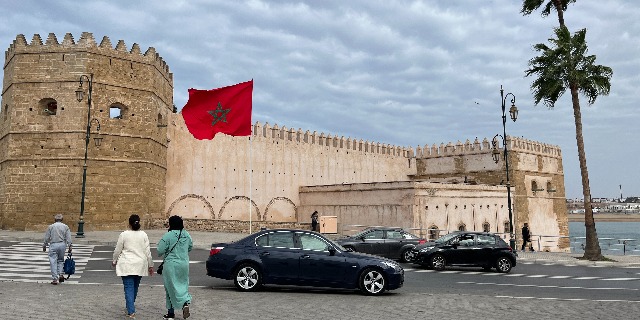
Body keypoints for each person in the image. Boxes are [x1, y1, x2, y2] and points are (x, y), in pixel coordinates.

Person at [112, 214, 154, 318]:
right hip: (140, 264)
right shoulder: (144, 235)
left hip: (126, 264)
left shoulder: (124, 234)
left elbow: (118, 249)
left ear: (129, 223)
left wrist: (114, 260)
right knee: (135, 287)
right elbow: (147, 252)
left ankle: (131, 310)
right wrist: (150, 265)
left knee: (128, 287)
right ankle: (130, 307)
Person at [158, 215, 193, 320]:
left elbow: (160, 250)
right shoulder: (186, 235)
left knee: (170, 288)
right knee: (183, 285)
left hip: (171, 265)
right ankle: (185, 302)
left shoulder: (168, 236)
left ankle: (170, 313)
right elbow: (190, 247)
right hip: (184, 264)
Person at [42, 213, 72, 285]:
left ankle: (55, 278)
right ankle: (61, 274)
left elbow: (47, 237)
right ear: (62, 219)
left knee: (53, 261)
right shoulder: (65, 227)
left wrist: (44, 245)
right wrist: (70, 246)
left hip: (53, 244)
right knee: (61, 260)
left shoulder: (51, 226)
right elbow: (68, 237)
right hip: (62, 244)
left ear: (55, 219)